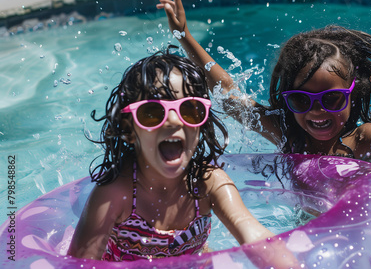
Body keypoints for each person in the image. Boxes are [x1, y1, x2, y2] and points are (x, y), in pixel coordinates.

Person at [157, 0, 371, 178]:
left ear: (352, 93)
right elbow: (228, 95)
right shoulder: (288, 134)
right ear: (287, 100)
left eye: (331, 99)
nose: (317, 110)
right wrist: (185, 36)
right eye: (300, 100)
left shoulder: (364, 138)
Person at [67, 50, 297, 267]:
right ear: (128, 130)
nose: (175, 121)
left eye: (189, 110)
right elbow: (81, 262)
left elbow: (252, 233)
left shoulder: (209, 182)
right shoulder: (116, 193)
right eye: (152, 113)